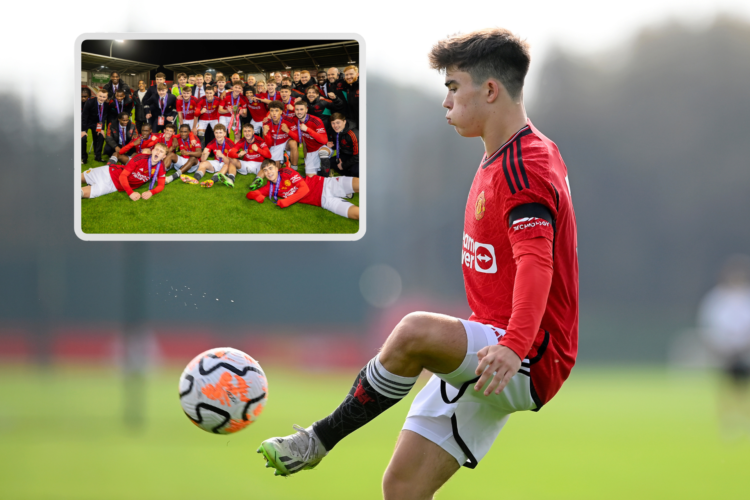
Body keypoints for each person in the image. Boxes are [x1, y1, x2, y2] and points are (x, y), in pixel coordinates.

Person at [257, 29, 579, 500]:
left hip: (526, 353)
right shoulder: (507, 155)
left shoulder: (525, 164)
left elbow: (537, 265)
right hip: (500, 344)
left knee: (413, 331)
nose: (446, 101)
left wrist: (512, 346)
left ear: (489, 90)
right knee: (403, 486)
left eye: (453, 86)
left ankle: (317, 440)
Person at [698, 254, 750, 437]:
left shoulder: (746, 298)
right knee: (725, 385)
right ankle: (727, 420)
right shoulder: (717, 299)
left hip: (744, 348)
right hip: (724, 348)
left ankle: (743, 417)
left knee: (743, 385)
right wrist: (720, 344)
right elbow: (711, 323)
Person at [246, 159, 359, 220]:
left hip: (325, 184)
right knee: (359, 214)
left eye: (270, 168)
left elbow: (304, 189)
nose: (269, 172)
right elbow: (250, 194)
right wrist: (257, 196)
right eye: (265, 170)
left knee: (361, 184)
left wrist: (286, 201)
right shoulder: (269, 187)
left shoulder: (286, 171)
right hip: (324, 202)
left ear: (276, 168)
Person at [81, 143, 168, 201]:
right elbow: (123, 176)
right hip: (109, 172)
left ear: (164, 156)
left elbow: (161, 185)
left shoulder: (161, 167)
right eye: (156, 149)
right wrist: (130, 193)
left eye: (161, 152)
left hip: (114, 185)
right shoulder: (140, 158)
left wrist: (151, 192)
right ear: (152, 151)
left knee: (80, 193)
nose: (158, 152)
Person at [289, 100, 329, 177]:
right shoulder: (295, 119)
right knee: (310, 178)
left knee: (323, 153)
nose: (299, 112)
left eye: (301, 109)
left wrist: (307, 129)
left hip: (322, 147)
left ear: (306, 110)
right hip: (311, 151)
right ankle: (319, 170)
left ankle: (326, 175)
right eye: (297, 109)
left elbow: (324, 140)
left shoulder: (316, 120)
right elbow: (283, 120)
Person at [193, 123, 236, 187]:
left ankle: (212, 180)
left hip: (226, 163)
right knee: (202, 163)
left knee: (226, 165)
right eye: (216, 132)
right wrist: (204, 154)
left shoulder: (230, 143)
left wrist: (222, 156)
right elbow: (203, 160)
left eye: (220, 132)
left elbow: (230, 162)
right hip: (217, 162)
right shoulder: (212, 142)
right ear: (214, 133)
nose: (218, 135)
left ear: (224, 133)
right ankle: (195, 179)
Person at [262, 101, 298, 169]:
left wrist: (287, 130)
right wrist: (265, 134)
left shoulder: (289, 120)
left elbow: (299, 139)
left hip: (286, 142)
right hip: (275, 144)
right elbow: (268, 144)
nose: (274, 113)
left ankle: (294, 168)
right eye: (272, 111)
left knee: (293, 143)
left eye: (276, 111)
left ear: (281, 112)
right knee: (276, 169)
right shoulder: (266, 122)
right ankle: (284, 159)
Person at [81, 88, 110, 162]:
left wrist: (101, 129)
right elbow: (84, 117)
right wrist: (83, 130)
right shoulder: (89, 102)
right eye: (100, 96)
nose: (101, 98)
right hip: (87, 122)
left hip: (97, 123)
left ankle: (98, 156)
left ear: (106, 97)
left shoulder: (106, 104)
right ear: (96, 95)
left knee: (100, 136)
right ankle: (83, 157)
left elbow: (103, 117)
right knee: (83, 138)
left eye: (104, 97)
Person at [329, 113, 359, 178]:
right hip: (345, 154)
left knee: (355, 170)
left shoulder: (353, 134)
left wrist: (344, 165)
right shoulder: (334, 130)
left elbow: (358, 156)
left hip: (357, 157)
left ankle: (356, 181)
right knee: (329, 162)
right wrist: (331, 144)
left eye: (338, 122)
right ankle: (349, 177)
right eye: (333, 123)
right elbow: (341, 144)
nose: (335, 126)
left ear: (344, 122)